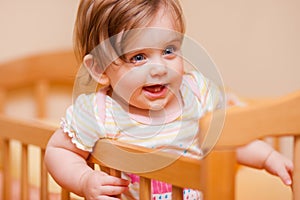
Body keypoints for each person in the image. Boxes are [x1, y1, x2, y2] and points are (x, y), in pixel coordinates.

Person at [44, 0, 293, 199]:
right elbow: (58, 151)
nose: (159, 68)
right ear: (100, 69)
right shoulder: (98, 112)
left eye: (169, 50)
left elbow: (228, 142)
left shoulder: (195, 94)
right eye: (139, 57)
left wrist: (268, 158)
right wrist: (84, 181)